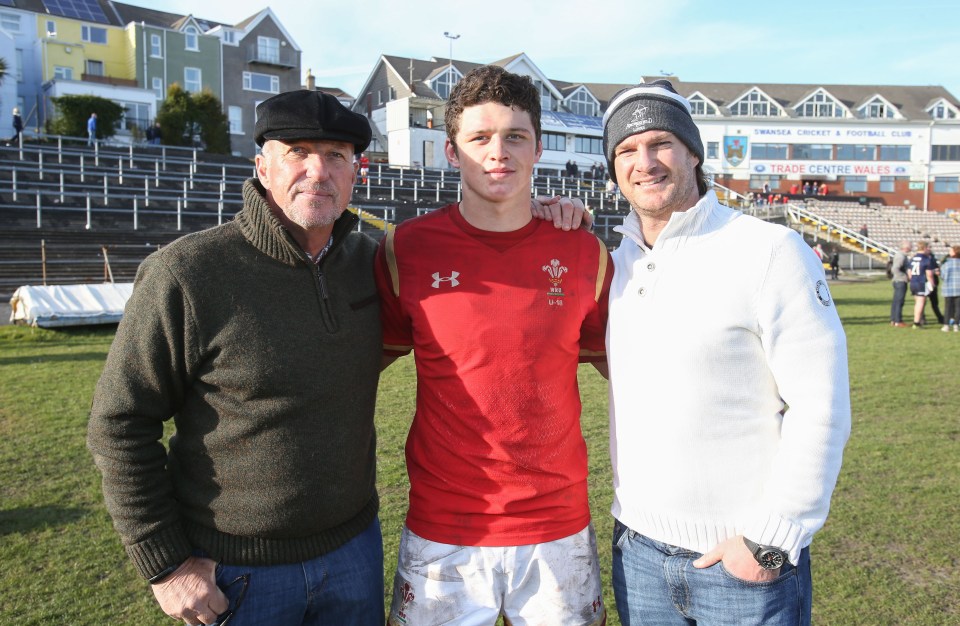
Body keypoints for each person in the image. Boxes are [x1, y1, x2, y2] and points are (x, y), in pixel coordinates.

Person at [87, 90, 387, 625]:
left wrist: (552, 213)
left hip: (354, 554)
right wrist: (167, 565)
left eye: (337, 155)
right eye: (297, 151)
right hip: (235, 569)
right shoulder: (187, 272)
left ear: (356, 172)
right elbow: (120, 421)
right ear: (262, 167)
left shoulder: (373, 264)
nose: (318, 170)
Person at [601, 80, 850, 625]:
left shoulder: (768, 250)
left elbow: (821, 404)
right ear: (614, 168)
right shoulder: (614, 265)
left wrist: (771, 541)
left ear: (693, 152)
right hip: (638, 555)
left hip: (743, 564)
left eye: (660, 142)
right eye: (626, 150)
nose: (645, 162)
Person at [376, 65, 611, 625]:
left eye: (514, 137)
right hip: (444, 529)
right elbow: (349, 370)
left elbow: (636, 375)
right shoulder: (403, 251)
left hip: (558, 528)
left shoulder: (584, 253)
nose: (497, 152)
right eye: (479, 138)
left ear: (537, 150)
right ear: (452, 152)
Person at [907, 240, 936, 328]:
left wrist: (912, 280)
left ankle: (919, 320)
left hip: (913, 282)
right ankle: (916, 322)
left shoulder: (913, 258)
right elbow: (929, 274)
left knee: (917, 302)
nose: (929, 250)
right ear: (925, 248)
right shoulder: (926, 259)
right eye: (928, 248)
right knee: (920, 303)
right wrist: (932, 283)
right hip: (921, 282)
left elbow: (909, 272)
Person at [890, 240, 912, 327]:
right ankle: (898, 321)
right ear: (906, 247)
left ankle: (893, 319)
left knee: (896, 301)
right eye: (910, 245)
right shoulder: (901, 256)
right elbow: (895, 268)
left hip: (898, 280)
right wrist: (904, 276)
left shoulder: (901, 255)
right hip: (900, 281)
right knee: (899, 301)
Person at [941, 245, 960, 332]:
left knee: (948, 307)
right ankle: (956, 325)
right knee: (958, 307)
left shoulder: (947, 264)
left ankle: (946, 325)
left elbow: (943, 276)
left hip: (948, 289)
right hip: (959, 288)